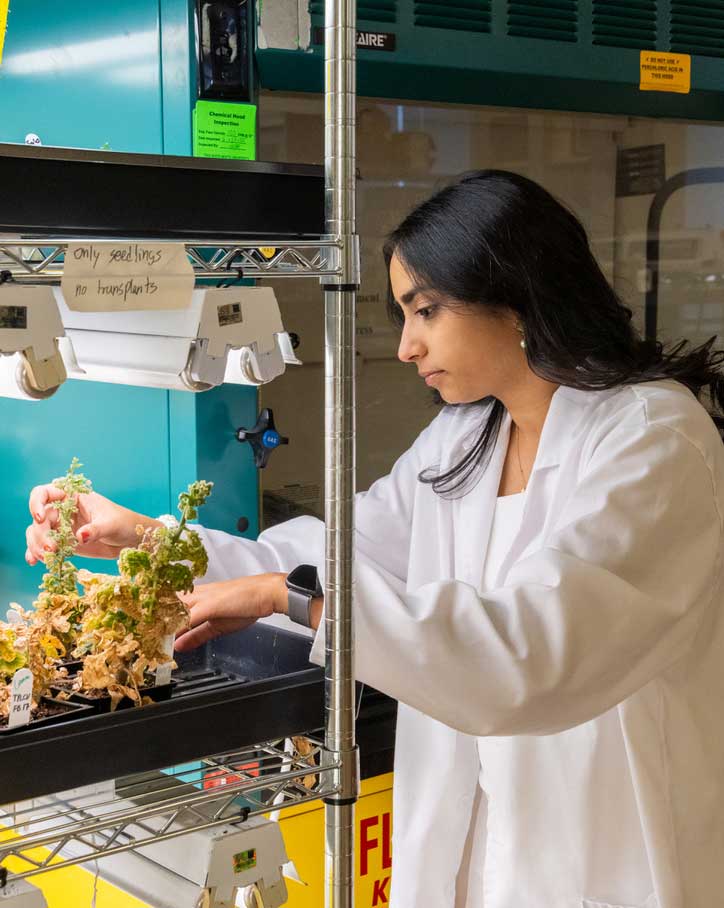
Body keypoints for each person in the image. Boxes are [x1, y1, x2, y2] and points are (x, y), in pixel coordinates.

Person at [25, 171, 724, 908]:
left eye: (425, 311)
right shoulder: (466, 436)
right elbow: (338, 552)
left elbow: (535, 651)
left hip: (607, 850)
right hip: (473, 853)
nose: (406, 346)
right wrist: (145, 537)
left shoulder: (651, 438)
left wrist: (284, 599)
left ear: (515, 294)